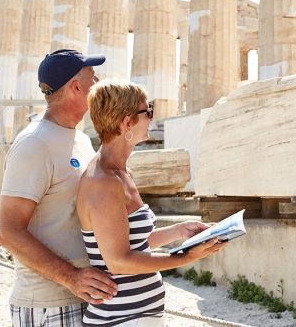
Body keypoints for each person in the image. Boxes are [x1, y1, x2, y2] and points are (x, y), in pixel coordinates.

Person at [77, 80, 226, 326]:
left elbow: (130, 241)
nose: (152, 118)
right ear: (126, 123)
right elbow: (118, 261)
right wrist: (185, 258)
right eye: (148, 111)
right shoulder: (103, 182)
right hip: (121, 319)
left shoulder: (121, 173)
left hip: (137, 316)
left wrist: (179, 231)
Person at [0, 49, 119, 327]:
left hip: (85, 296)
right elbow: (8, 232)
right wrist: (71, 278)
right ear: (76, 87)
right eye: (92, 76)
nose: (98, 79)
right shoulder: (34, 144)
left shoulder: (80, 139)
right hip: (50, 303)